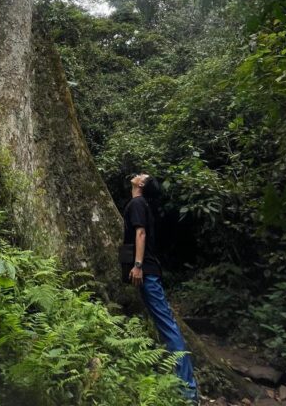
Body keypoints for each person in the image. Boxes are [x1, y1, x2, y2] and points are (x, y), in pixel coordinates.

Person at [122, 172, 199, 403]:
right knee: (164, 324)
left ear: (142, 184)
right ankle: (182, 383)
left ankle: (188, 390)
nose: (137, 174)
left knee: (168, 326)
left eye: (141, 175)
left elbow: (141, 233)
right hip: (149, 272)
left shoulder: (137, 203)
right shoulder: (142, 203)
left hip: (147, 272)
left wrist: (137, 265)